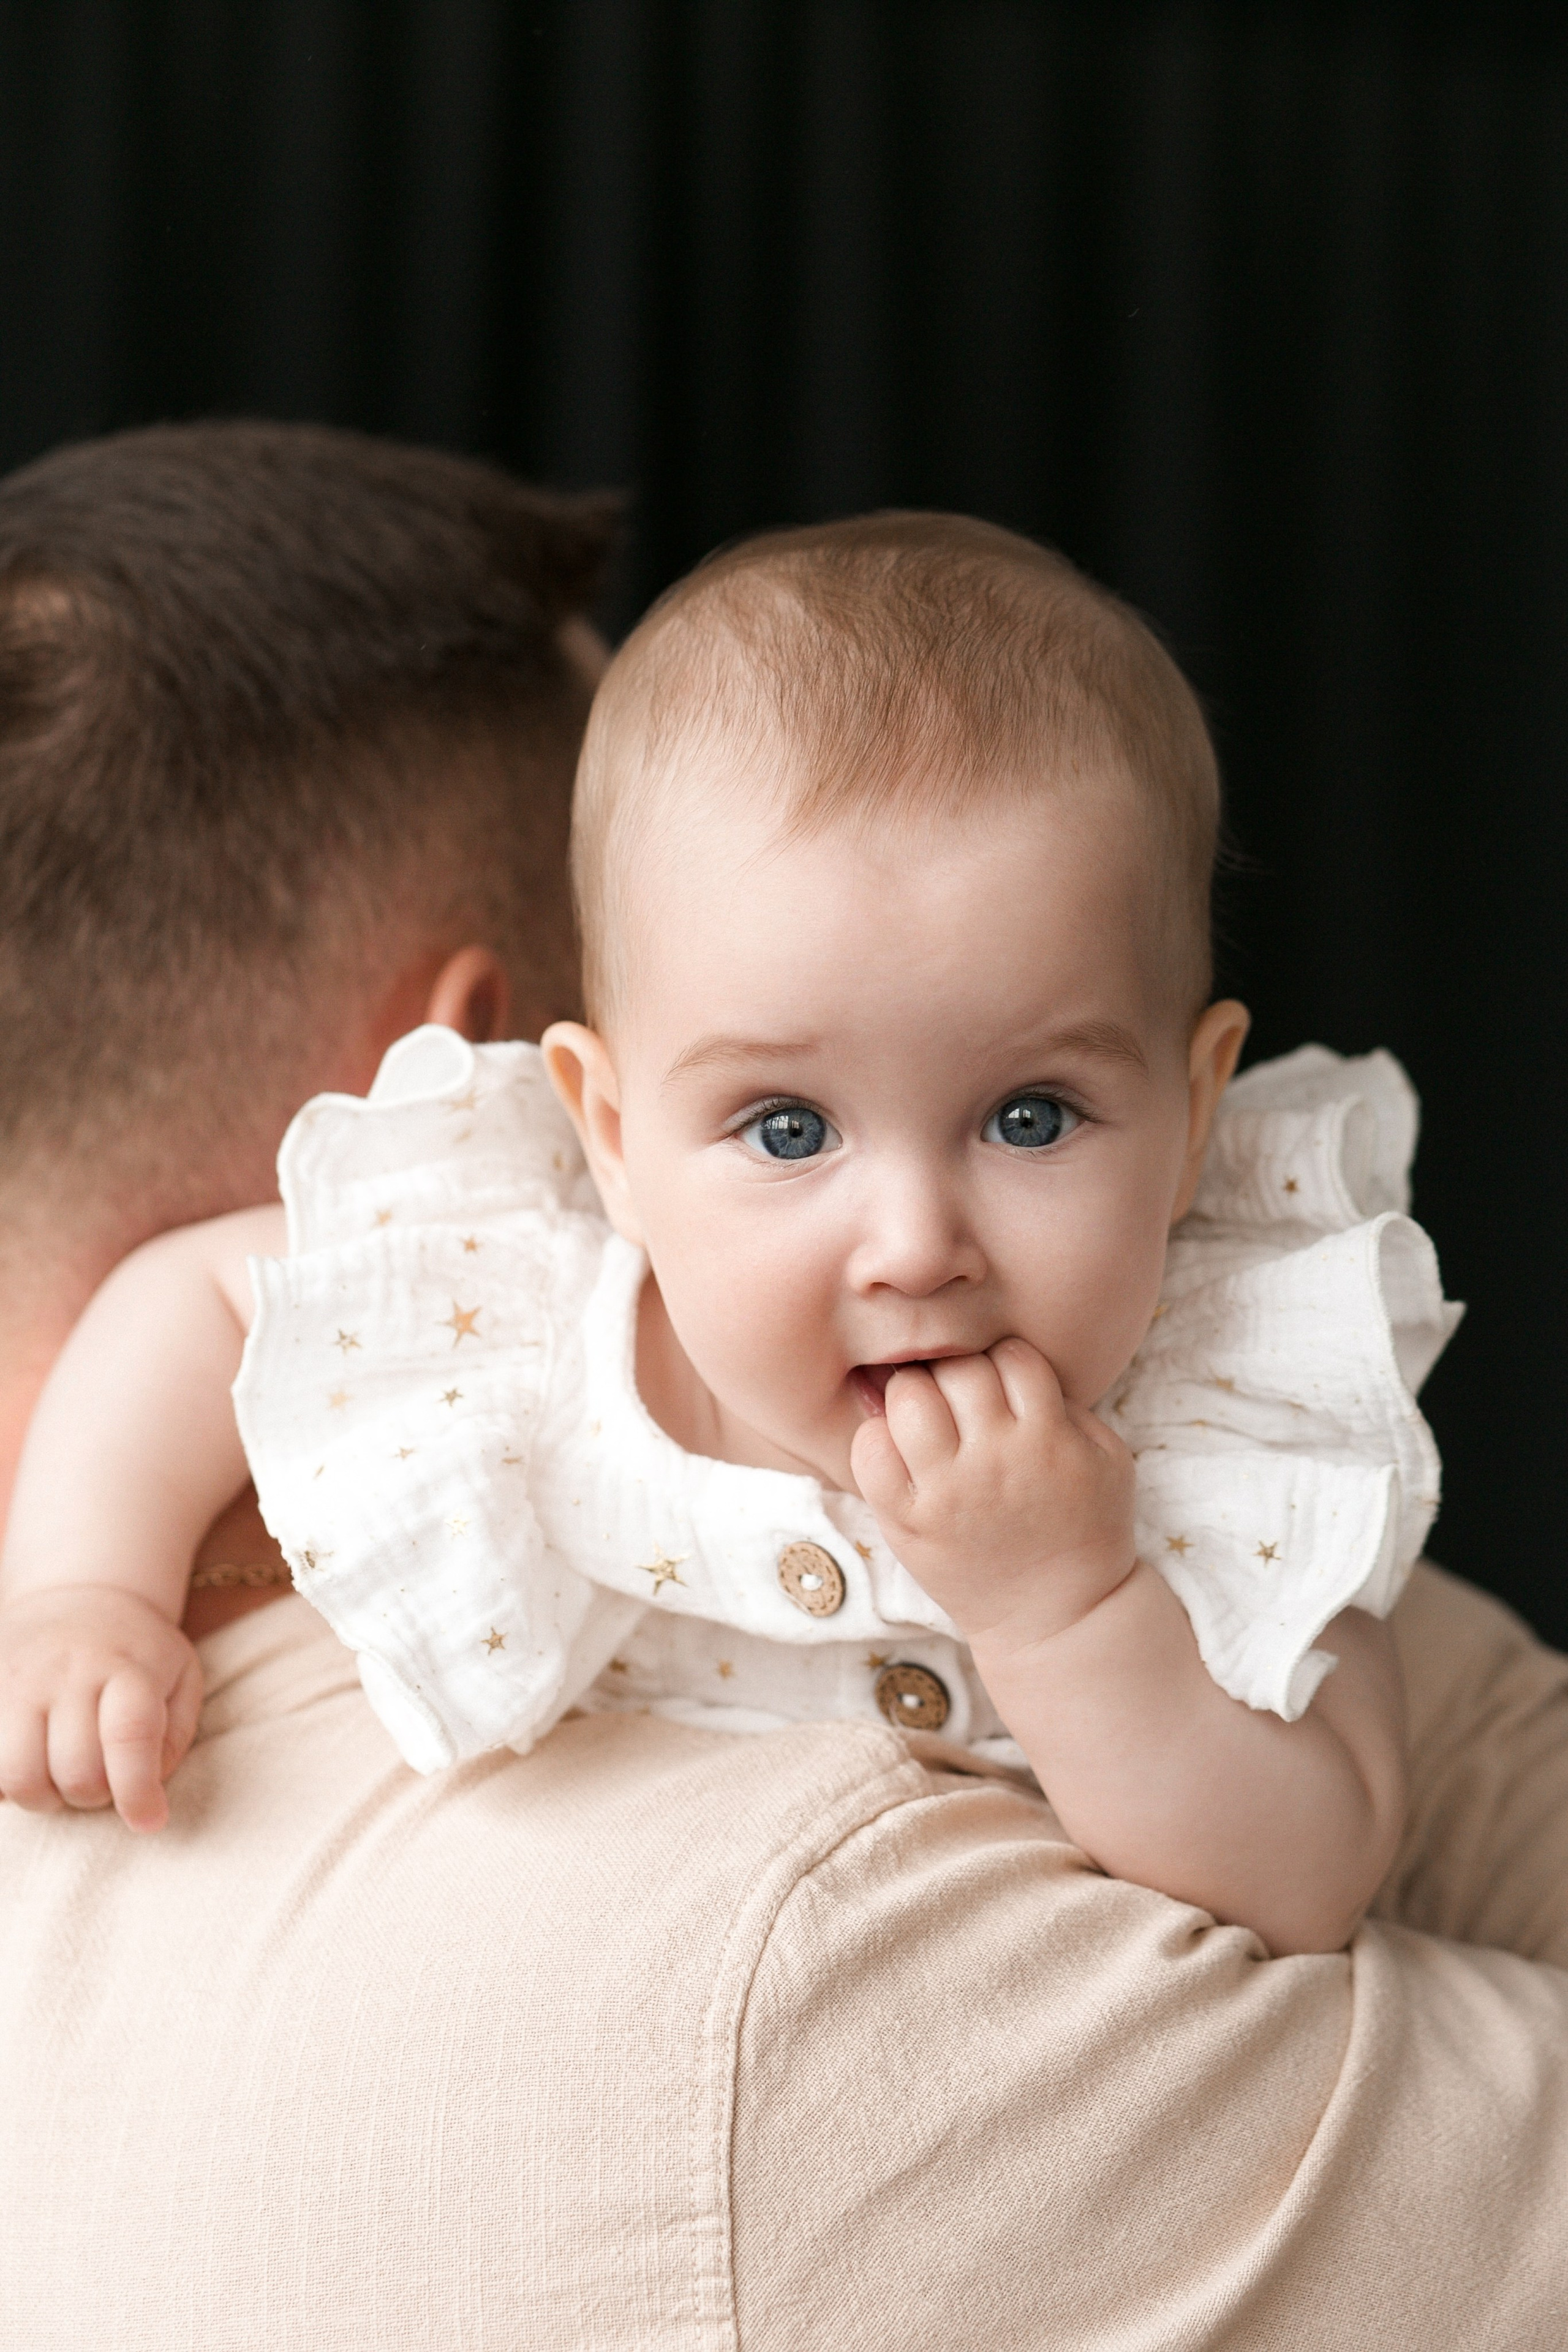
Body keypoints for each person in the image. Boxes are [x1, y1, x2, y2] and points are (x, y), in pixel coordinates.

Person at [4, 496, 1568, 2344]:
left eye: (1035, 1116)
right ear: (595, 1122)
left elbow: (1307, 1865)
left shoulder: (1218, 1416)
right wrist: (82, 1590)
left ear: (1198, 1097)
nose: (913, 1245)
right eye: (788, 1131)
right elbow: (202, 1303)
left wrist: (1070, 1605)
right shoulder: (530, 1297)